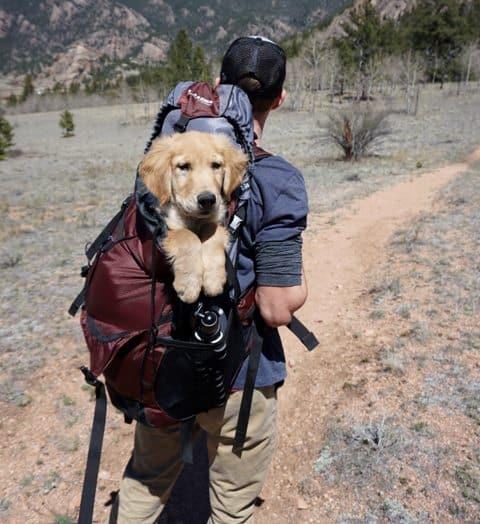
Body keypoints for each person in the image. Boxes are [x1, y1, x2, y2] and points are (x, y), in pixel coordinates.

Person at [110, 35, 309, 523]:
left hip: (160, 360)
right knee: (230, 505)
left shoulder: (173, 161)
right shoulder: (278, 179)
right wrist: (298, 286)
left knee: (145, 482)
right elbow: (276, 307)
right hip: (239, 376)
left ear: (217, 87)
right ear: (279, 98)